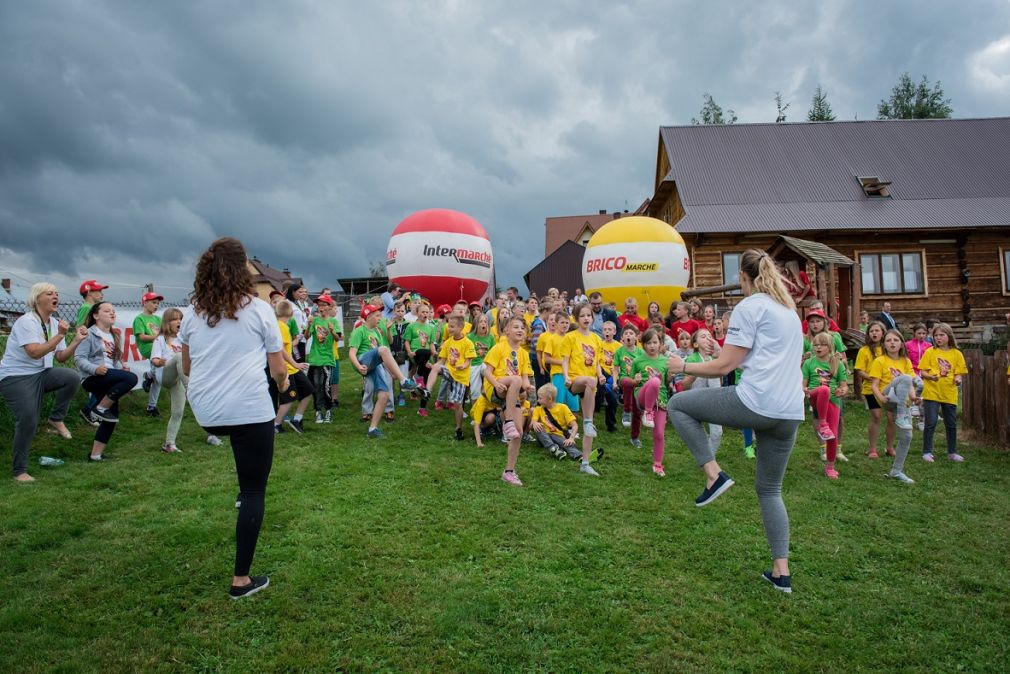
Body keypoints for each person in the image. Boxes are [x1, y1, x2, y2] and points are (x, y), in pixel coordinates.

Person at [666, 249, 804, 594]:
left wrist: (683, 367)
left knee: (679, 405)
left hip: (757, 402)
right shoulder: (789, 312)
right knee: (770, 490)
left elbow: (724, 368)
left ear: (743, 277)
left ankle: (714, 475)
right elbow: (752, 359)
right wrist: (718, 353)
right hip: (789, 412)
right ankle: (780, 572)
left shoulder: (749, 307)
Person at [178, 237, 287, 599]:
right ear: (244, 270)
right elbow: (277, 370)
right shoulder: (258, 310)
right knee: (256, 490)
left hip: (206, 411)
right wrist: (285, 384)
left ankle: (245, 493)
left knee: (246, 467)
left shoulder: (192, 310)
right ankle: (241, 581)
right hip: (246, 410)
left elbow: (188, 366)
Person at [0, 282, 87, 482]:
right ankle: (19, 471)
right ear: (37, 298)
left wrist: (76, 340)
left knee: (71, 377)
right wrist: (60, 335)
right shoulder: (27, 321)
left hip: (41, 373)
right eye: (49, 293)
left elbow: (62, 357)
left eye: (57, 293)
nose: (56, 296)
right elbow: (34, 352)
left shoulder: (55, 323)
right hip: (16, 377)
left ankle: (56, 418)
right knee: (28, 419)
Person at [75, 302, 139, 461]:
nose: (112, 313)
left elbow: (114, 361)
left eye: (113, 311)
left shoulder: (114, 335)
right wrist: (94, 369)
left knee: (112, 417)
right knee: (132, 378)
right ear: (96, 315)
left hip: (108, 377)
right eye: (107, 311)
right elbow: (79, 358)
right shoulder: (88, 334)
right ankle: (99, 408)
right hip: (92, 378)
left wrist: (120, 369)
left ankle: (95, 455)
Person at [348, 304, 419, 437]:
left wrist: (391, 372)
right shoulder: (359, 331)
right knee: (384, 349)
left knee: (384, 395)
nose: (380, 318)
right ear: (368, 316)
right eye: (377, 316)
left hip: (374, 364)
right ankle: (404, 381)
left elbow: (382, 358)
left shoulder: (377, 333)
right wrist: (358, 366)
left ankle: (372, 429)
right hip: (362, 360)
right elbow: (351, 353)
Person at [483, 317, 535, 485]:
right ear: (507, 331)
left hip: (512, 395)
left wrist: (528, 388)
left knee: (518, 433)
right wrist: (496, 384)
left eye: (523, 328)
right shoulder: (498, 348)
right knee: (515, 380)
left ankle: (509, 471)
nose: (520, 330)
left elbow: (525, 378)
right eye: (516, 327)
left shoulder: (524, 354)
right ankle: (509, 421)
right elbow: (487, 372)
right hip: (496, 389)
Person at [869, 329, 919, 483]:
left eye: (895, 340)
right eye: (889, 340)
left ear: (901, 344)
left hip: (902, 402)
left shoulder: (906, 361)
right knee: (904, 378)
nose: (892, 343)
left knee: (907, 436)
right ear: (884, 344)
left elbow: (910, 384)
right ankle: (902, 415)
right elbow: (874, 385)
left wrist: (914, 397)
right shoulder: (880, 360)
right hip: (887, 395)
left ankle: (896, 471)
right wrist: (881, 398)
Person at [562, 302, 605, 476]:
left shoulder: (596, 339)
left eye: (589, 315)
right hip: (576, 380)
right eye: (582, 316)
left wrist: (601, 374)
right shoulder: (570, 337)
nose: (586, 318)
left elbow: (597, 363)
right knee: (589, 380)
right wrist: (566, 376)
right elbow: (565, 359)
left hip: (591, 385)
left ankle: (585, 463)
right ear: (576, 318)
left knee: (590, 424)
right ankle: (587, 422)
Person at [918, 323, 968, 463]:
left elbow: (959, 374)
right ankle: (927, 452)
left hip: (949, 393)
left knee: (951, 424)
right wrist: (930, 377)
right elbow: (922, 371)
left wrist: (957, 380)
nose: (938, 338)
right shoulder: (930, 352)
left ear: (949, 336)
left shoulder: (956, 353)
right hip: (932, 392)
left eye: (941, 335)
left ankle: (952, 452)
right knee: (931, 422)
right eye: (936, 335)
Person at [802, 333, 848, 479]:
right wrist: (804, 390)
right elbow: (803, 384)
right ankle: (822, 423)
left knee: (832, 436)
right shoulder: (809, 363)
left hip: (833, 401)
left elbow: (844, 386)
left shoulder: (837, 363)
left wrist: (842, 391)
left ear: (830, 347)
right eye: (815, 345)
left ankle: (830, 467)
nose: (818, 347)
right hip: (815, 395)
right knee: (824, 389)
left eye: (822, 344)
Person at [631, 328, 674, 477]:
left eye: (655, 342)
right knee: (654, 381)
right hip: (642, 398)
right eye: (648, 343)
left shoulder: (665, 361)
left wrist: (669, 377)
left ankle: (657, 465)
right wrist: (634, 380)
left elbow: (667, 384)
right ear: (643, 345)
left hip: (660, 401)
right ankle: (647, 412)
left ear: (661, 343)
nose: (652, 346)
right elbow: (631, 381)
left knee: (660, 435)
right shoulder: (637, 361)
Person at [426, 315, 476, 440]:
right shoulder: (448, 342)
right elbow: (442, 361)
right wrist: (434, 366)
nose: (449, 328)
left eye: (452, 326)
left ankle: (458, 428)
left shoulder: (467, 343)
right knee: (436, 368)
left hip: (461, 376)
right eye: (448, 326)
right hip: (449, 371)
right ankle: (427, 391)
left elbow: (468, 361)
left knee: (457, 404)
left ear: (461, 327)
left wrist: (463, 366)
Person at [681, 328, 724, 459]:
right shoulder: (691, 359)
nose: (708, 338)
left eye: (709, 336)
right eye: (703, 336)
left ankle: (709, 458)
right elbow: (684, 385)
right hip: (697, 400)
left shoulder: (715, 358)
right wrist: (698, 371)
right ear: (695, 344)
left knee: (717, 433)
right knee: (700, 435)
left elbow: (720, 382)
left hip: (713, 401)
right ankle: (706, 458)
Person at [273, 301, 313, 434]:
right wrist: (295, 364)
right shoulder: (281, 327)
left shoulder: (281, 325)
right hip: (287, 369)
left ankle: (297, 419)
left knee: (307, 390)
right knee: (289, 398)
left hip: (293, 368)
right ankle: (276, 425)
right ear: (291, 313)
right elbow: (282, 350)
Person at [307, 294, 339, 423]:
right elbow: (307, 336)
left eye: (323, 305)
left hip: (327, 359)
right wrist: (309, 325)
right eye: (319, 305)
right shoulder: (314, 320)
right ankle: (318, 411)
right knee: (316, 386)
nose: (321, 307)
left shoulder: (333, 321)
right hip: (314, 358)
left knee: (325, 385)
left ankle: (329, 411)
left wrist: (332, 331)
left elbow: (338, 339)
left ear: (329, 306)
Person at [530, 383, 581, 460]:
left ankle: (579, 456)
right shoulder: (538, 409)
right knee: (539, 427)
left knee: (566, 443)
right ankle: (553, 448)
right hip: (542, 436)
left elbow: (574, 425)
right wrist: (534, 423)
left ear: (550, 399)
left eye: (540, 398)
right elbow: (531, 424)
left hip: (557, 435)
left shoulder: (563, 408)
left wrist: (571, 438)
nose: (538, 400)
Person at [406, 302, 439, 417]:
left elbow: (430, 344)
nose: (425, 314)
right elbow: (406, 341)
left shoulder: (431, 327)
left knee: (426, 385)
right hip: (416, 353)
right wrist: (409, 352)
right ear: (417, 313)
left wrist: (434, 352)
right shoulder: (411, 326)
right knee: (424, 352)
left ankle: (422, 408)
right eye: (423, 312)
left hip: (426, 358)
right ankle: (418, 376)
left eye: (427, 312)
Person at [136, 291, 164, 417]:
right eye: (153, 302)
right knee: (162, 362)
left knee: (158, 377)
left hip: (158, 346)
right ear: (145, 303)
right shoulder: (139, 319)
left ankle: (151, 407)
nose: (156, 305)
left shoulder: (158, 319)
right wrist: (157, 338)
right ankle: (148, 375)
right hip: (148, 347)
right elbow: (141, 337)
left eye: (158, 303)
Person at [615, 323, 642, 431]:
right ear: (622, 338)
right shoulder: (619, 351)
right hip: (624, 378)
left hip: (638, 378)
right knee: (627, 382)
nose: (628, 335)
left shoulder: (641, 352)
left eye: (631, 333)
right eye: (626, 333)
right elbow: (616, 368)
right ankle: (626, 411)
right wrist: (614, 382)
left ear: (636, 337)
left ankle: (643, 411)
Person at [597, 321, 620, 432]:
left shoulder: (619, 346)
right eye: (605, 329)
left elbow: (623, 364)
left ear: (614, 332)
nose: (607, 332)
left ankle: (611, 424)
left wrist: (616, 370)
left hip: (613, 375)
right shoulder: (599, 344)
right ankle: (601, 397)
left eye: (609, 329)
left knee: (613, 398)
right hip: (600, 373)